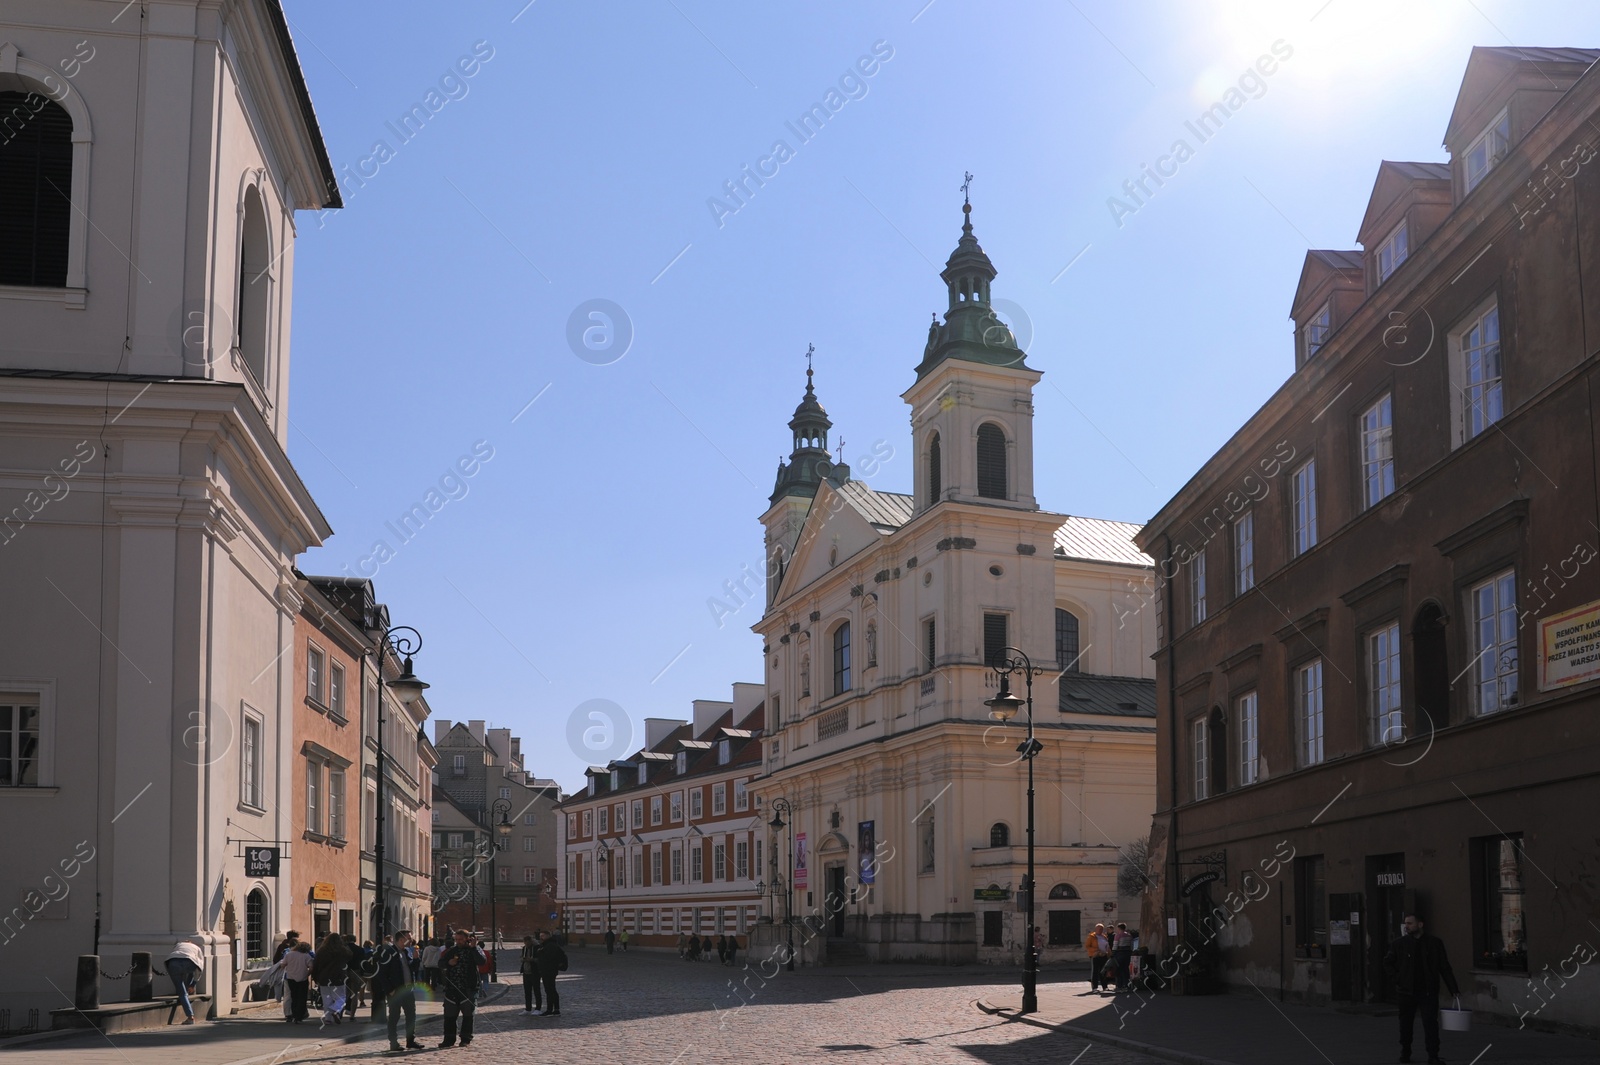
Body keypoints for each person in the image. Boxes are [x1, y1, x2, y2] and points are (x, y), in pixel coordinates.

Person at [1385, 914, 1461, 1065]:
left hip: (1428, 990)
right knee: (1405, 1024)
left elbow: (1444, 966)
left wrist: (1453, 988)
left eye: (1410, 923)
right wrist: (1398, 979)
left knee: (1430, 1023)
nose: (1406, 926)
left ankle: (1433, 1055)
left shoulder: (1434, 943)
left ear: (1420, 924)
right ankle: (1405, 1052)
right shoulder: (1399, 944)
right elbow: (1388, 963)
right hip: (1406, 991)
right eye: (1405, 923)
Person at [375, 929, 425, 1053]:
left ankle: (410, 1041)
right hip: (395, 991)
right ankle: (394, 1042)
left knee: (411, 1016)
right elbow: (381, 974)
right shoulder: (389, 952)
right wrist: (389, 990)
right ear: (401, 939)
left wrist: (416, 958)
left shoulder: (406, 951)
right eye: (409, 937)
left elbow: (412, 969)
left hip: (408, 989)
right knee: (394, 1017)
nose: (411, 940)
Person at [437, 929, 484, 1048]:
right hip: (452, 989)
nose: (458, 941)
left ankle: (465, 1039)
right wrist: (448, 962)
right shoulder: (452, 950)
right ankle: (449, 1039)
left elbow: (482, 961)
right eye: (456, 939)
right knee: (449, 1017)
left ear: (467, 939)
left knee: (468, 1016)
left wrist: (474, 948)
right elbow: (440, 963)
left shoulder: (474, 950)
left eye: (461, 939)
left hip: (468, 989)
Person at [311, 932, 350, 1028]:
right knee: (341, 997)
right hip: (338, 977)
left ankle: (328, 1019)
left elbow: (315, 965)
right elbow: (350, 956)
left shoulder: (321, 951)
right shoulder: (342, 951)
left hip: (324, 977)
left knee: (326, 998)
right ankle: (335, 1009)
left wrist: (315, 978)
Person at [164, 939, 205, 1025]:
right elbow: (200, 967)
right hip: (189, 962)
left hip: (173, 963)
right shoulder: (196, 947)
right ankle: (188, 988)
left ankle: (190, 1017)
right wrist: (193, 984)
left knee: (182, 993)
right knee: (191, 970)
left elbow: (173, 955)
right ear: (191, 943)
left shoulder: (178, 945)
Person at [536, 929, 568, 1016]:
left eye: (543, 936)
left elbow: (549, 958)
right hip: (548, 970)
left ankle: (550, 1009)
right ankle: (555, 1009)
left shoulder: (550, 945)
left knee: (550, 990)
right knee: (551, 990)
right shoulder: (547, 945)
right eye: (540, 936)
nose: (541, 938)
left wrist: (540, 953)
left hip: (549, 970)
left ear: (548, 936)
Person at [282, 940, 314, 1023]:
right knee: (302, 998)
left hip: (290, 978)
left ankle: (293, 1014)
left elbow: (283, 965)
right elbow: (311, 967)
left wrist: (288, 969)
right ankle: (299, 1017)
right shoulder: (306, 956)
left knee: (293, 997)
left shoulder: (289, 954)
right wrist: (307, 974)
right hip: (302, 978)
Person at [519, 935, 543, 1014]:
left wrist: (532, 959)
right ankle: (528, 1008)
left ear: (531, 941)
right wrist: (523, 959)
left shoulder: (537, 948)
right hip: (526, 972)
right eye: (525, 942)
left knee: (536, 990)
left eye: (527, 942)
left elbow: (540, 959)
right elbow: (522, 957)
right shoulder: (524, 949)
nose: (526, 944)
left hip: (534, 972)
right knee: (527, 991)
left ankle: (538, 1008)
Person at [1085, 923, 1109, 991]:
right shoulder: (1091, 936)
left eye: (1101, 929)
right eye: (1099, 929)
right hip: (1095, 955)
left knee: (1103, 971)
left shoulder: (1104, 936)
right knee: (1095, 971)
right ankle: (1094, 987)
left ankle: (1105, 987)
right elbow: (1087, 946)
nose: (1100, 930)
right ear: (1096, 929)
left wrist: (1108, 952)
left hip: (1103, 955)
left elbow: (1107, 945)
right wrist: (1096, 950)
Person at [1110, 923, 1134, 991]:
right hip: (1128, 953)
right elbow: (1131, 945)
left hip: (1120, 953)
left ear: (1119, 928)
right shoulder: (1129, 935)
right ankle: (1126, 985)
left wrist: (1113, 953)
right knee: (1126, 969)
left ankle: (1119, 985)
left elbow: (1115, 945)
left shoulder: (1118, 935)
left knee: (1119, 969)